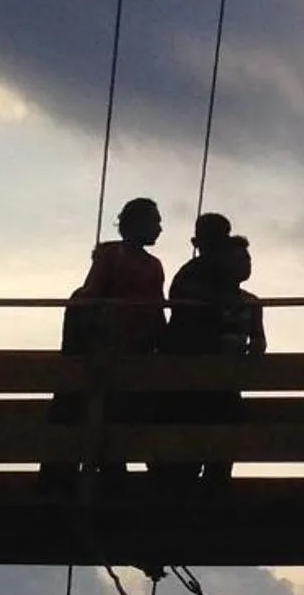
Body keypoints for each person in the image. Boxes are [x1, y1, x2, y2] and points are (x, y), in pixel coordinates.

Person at [41, 196, 165, 492]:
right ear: (135, 224)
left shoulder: (151, 264)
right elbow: (91, 293)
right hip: (107, 353)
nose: (160, 228)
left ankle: (114, 476)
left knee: (123, 417)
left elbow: (158, 308)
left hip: (136, 353)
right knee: (102, 415)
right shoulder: (112, 256)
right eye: (155, 220)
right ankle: (99, 477)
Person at [156, 213, 238, 491]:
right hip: (191, 357)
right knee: (198, 426)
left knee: (199, 428)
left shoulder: (196, 272)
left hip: (192, 358)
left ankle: (195, 481)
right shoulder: (206, 273)